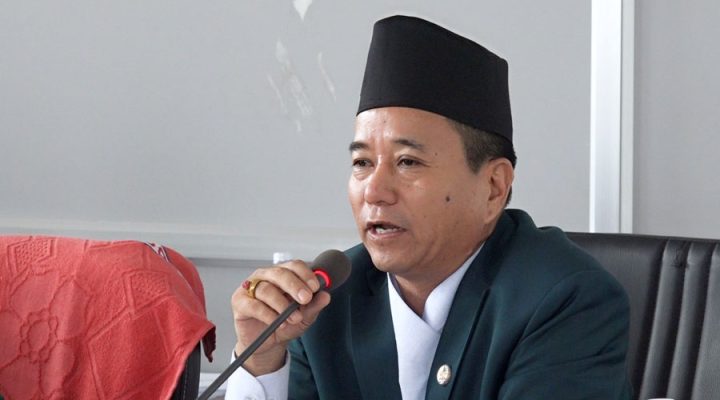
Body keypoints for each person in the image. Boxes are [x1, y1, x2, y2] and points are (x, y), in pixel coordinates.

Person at [225, 15, 632, 400]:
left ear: (493, 188)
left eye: (408, 162)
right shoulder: (324, 305)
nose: (374, 191)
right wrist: (261, 360)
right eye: (362, 163)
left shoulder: (566, 300)